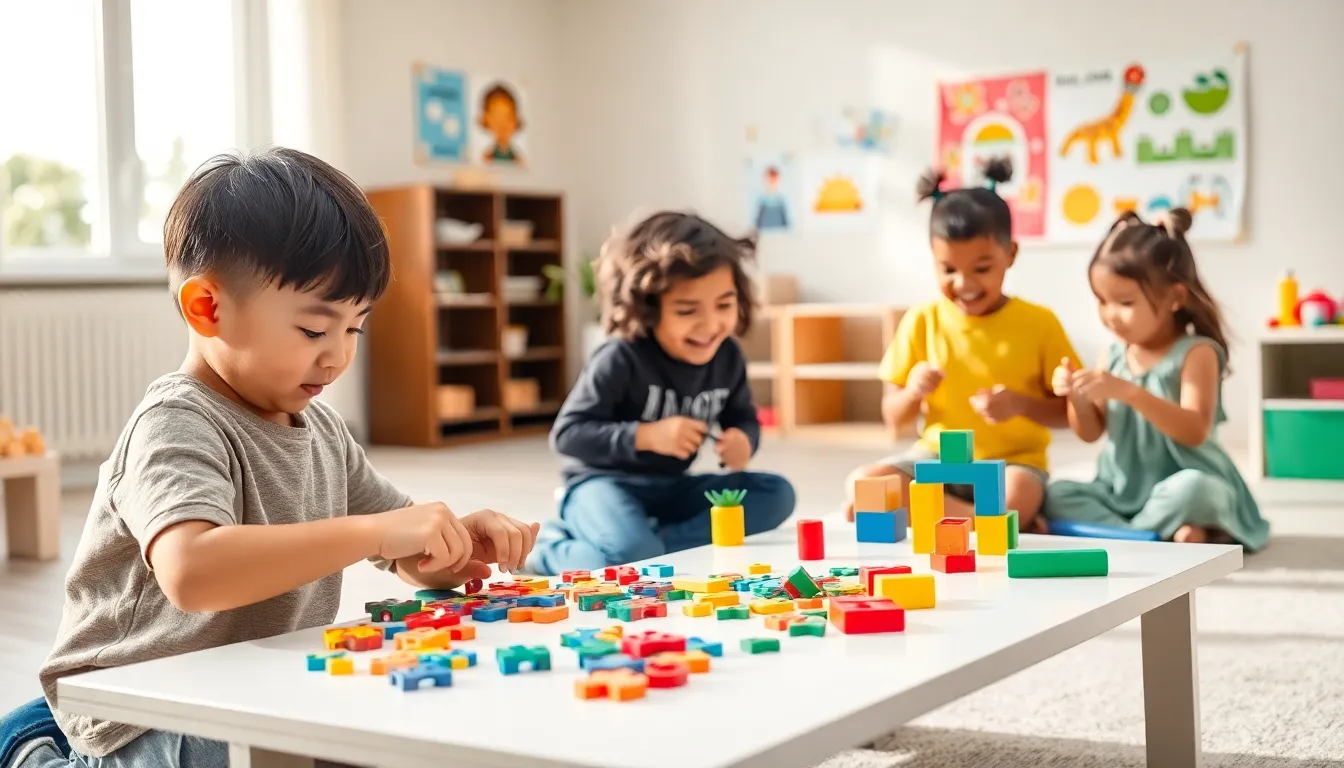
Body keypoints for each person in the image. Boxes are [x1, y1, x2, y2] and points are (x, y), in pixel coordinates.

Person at [2, 147, 538, 768]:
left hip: (245, 689)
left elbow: (404, 551)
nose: (337, 356)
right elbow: (192, 572)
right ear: (208, 308)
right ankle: (35, 752)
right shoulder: (176, 421)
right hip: (142, 716)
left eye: (354, 329)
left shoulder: (323, 432)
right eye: (314, 330)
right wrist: (374, 530)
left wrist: (452, 548)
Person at [525, 212, 795, 574]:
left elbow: (742, 416)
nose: (711, 325)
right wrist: (647, 436)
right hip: (601, 486)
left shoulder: (727, 356)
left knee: (776, 494)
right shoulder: (621, 356)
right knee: (629, 553)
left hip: (671, 488)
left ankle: (648, 549)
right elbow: (568, 435)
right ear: (648, 308)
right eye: (687, 310)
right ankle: (550, 549)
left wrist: (744, 440)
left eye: (725, 305)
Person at [843, 158, 1077, 530]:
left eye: (981, 269)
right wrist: (913, 393)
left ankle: (951, 518)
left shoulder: (1040, 322)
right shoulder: (922, 320)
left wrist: (1020, 404)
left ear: (1011, 255)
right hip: (935, 460)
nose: (964, 284)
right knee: (863, 483)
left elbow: (1072, 414)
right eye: (948, 270)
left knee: (1020, 491)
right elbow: (893, 418)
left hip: (1013, 462)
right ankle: (987, 524)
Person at [1042, 209, 1269, 549]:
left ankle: (1130, 534)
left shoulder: (1196, 353)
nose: (1109, 315)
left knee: (1196, 491)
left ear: (1175, 298)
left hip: (1184, 484)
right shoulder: (1114, 355)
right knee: (1056, 493)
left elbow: (1194, 431)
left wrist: (1131, 392)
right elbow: (1090, 433)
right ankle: (1153, 533)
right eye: (1102, 301)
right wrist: (1077, 396)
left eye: (1125, 302)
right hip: (1122, 490)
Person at [479, 83, 524, 165]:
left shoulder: (517, 159)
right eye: (497, 118)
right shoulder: (486, 157)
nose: (502, 125)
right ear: (486, 119)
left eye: (507, 117)